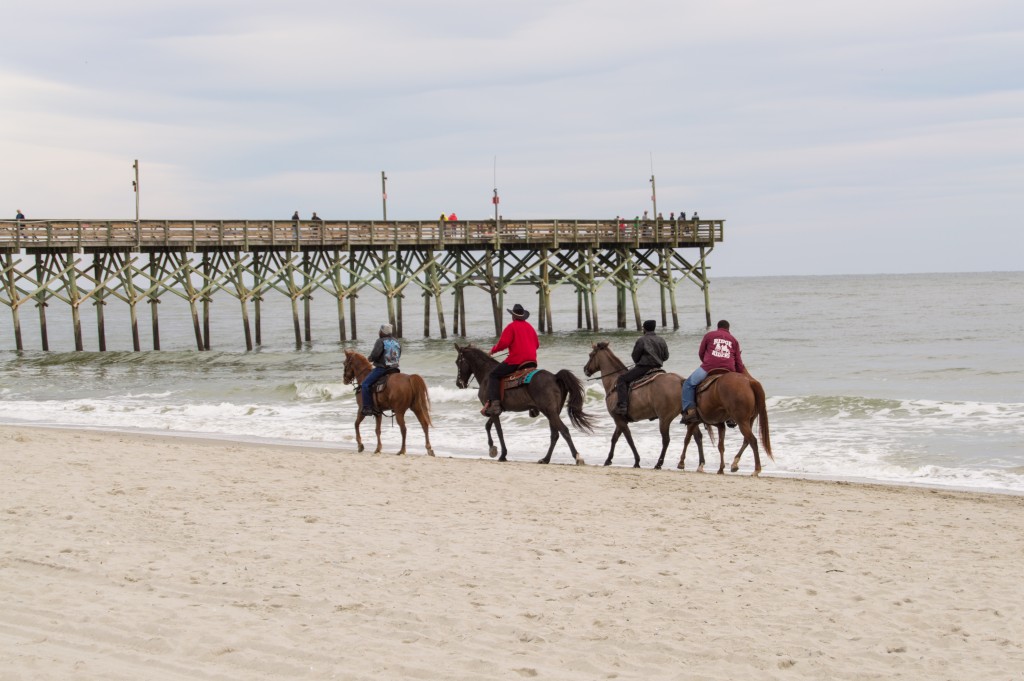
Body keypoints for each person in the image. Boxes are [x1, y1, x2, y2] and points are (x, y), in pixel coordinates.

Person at [680, 319, 746, 424]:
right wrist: (739, 373)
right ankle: (732, 417)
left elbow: (701, 352)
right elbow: (738, 362)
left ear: (718, 327)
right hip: (729, 370)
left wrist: (707, 362)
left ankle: (691, 412)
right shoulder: (734, 340)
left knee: (688, 384)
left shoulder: (709, 335)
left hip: (709, 367)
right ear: (728, 329)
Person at [482, 303, 538, 416]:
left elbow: (503, 344)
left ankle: (496, 404)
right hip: (532, 361)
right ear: (523, 316)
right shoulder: (530, 327)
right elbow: (536, 345)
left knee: (493, 375)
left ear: (513, 316)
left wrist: (492, 351)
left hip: (517, 360)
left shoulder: (511, 326)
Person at [613, 320, 669, 415]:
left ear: (645, 328)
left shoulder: (641, 340)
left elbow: (635, 356)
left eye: (643, 328)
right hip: (658, 368)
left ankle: (623, 406)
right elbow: (666, 356)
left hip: (644, 368)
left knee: (621, 379)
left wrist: (640, 362)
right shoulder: (661, 340)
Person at [360, 324, 401, 416]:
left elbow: (375, 355)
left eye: (380, 331)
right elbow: (399, 354)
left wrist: (370, 359)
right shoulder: (396, 341)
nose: (379, 332)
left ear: (383, 332)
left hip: (383, 369)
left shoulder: (380, 341)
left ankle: (367, 407)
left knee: (365, 384)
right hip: (395, 368)